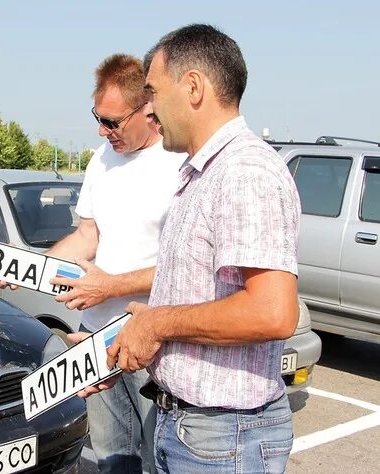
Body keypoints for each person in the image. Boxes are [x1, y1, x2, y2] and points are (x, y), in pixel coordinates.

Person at [86, 24, 300, 474]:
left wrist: (158, 323)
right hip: (189, 428)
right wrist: (121, 337)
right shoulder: (200, 173)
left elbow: (272, 312)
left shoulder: (245, 172)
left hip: (224, 439)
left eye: (154, 92)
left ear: (194, 87)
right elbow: (194, 299)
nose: (150, 108)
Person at [46, 54, 185, 474]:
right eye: (98, 118)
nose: (103, 131)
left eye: (113, 122)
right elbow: (87, 236)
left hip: (151, 344)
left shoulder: (181, 163)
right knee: (111, 462)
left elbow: (186, 267)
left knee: (158, 461)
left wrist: (112, 287)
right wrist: (32, 266)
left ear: (148, 109)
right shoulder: (100, 160)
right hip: (96, 339)